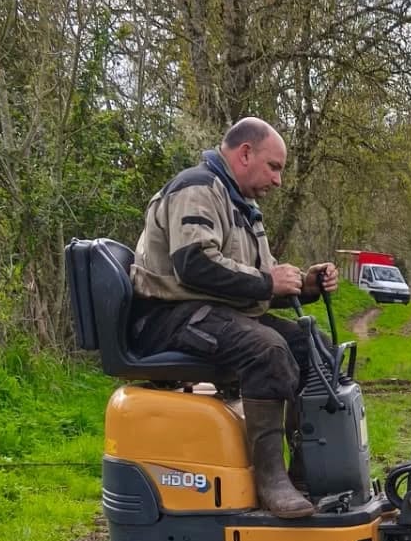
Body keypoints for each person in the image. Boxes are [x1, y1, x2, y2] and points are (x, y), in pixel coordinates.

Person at [129, 117, 339, 518]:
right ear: (245, 153)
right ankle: (270, 481)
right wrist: (266, 281)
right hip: (168, 317)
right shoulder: (196, 189)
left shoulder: (243, 206)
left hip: (210, 313)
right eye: (274, 166)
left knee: (317, 350)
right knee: (267, 349)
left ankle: (305, 473)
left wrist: (305, 285)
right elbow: (193, 264)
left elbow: (253, 285)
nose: (278, 180)